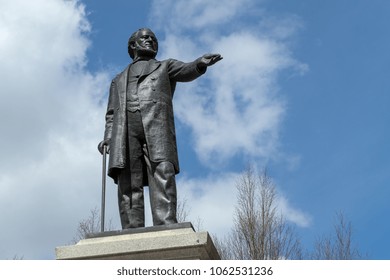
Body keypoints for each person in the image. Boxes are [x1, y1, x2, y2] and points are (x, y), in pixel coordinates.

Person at [98, 28, 222, 229]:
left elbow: (186, 70)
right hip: (125, 131)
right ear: (133, 45)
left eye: (153, 39)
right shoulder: (118, 79)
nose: (150, 41)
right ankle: (131, 228)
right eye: (145, 38)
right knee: (128, 181)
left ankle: (166, 225)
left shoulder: (165, 66)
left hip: (157, 128)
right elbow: (111, 113)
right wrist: (108, 137)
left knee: (162, 173)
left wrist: (199, 63)